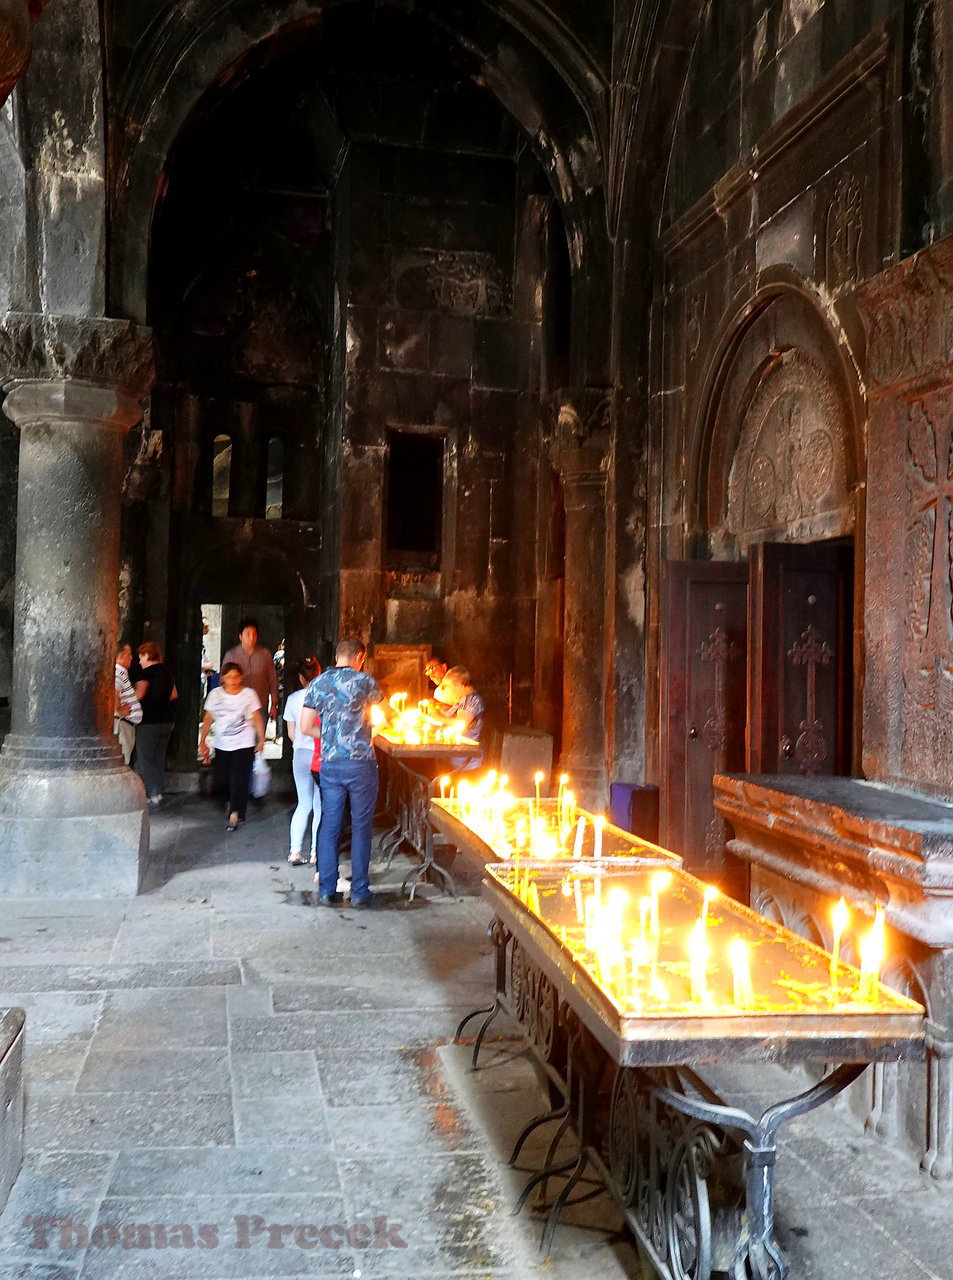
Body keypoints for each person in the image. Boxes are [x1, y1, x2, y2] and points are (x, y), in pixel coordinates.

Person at [300, 636, 389, 908]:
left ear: (338, 655)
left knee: (330, 825)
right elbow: (387, 715)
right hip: (361, 763)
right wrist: (368, 733)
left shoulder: (318, 683)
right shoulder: (365, 682)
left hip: (330, 764)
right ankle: (360, 891)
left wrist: (329, 738)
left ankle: (327, 889)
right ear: (359, 656)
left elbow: (305, 727)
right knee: (361, 827)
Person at [199, 662, 264, 831]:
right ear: (223, 678)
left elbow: (256, 717)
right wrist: (203, 740)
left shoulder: (249, 694)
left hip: (244, 743)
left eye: (236, 676)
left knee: (239, 779)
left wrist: (261, 738)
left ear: (241, 677)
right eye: (229, 677)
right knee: (223, 779)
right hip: (222, 744)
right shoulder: (215, 695)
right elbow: (208, 718)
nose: (233, 680)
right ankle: (230, 803)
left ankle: (236, 813)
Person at [283, 655, 322, 866]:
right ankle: (316, 852)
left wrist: (301, 743)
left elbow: (291, 733)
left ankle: (295, 852)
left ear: (301, 678)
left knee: (303, 803)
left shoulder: (292, 699)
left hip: (300, 754)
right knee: (319, 805)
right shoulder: (324, 697)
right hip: (319, 754)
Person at [134, 641, 178, 809]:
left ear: (147, 655)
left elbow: (140, 694)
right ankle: (158, 791)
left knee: (145, 758)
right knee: (159, 758)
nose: (139, 661)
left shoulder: (146, 673)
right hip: (167, 719)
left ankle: (152, 793)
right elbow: (174, 694)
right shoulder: (167, 671)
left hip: (149, 720)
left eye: (140, 657)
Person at [222, 618, 279, 731]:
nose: (252, 638)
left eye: (254, 634)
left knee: (258, 742)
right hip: (236, 708)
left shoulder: (265, 655)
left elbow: (273, 681)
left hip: (260, 706)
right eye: (248, 634)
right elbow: (222, 683)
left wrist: (273, 705)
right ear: (240, 636)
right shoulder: (231, 655)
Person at [431, 665, 485, 771]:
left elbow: (461, 723)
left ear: (458, 685)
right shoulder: (462, 700)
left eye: (448, 687)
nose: (447, 691)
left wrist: (438, 717)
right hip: (456, 759)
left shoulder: (473, 701)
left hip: (467, 762)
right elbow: (448, 715)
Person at [114, 643, 142, 766]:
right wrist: (118, 710)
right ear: (120, 656)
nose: (131, 657)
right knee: (122, 762)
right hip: (123, 724)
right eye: (129, 655)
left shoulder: (121, 673)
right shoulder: (118, 672)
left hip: (126, 725)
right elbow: (114, 689)